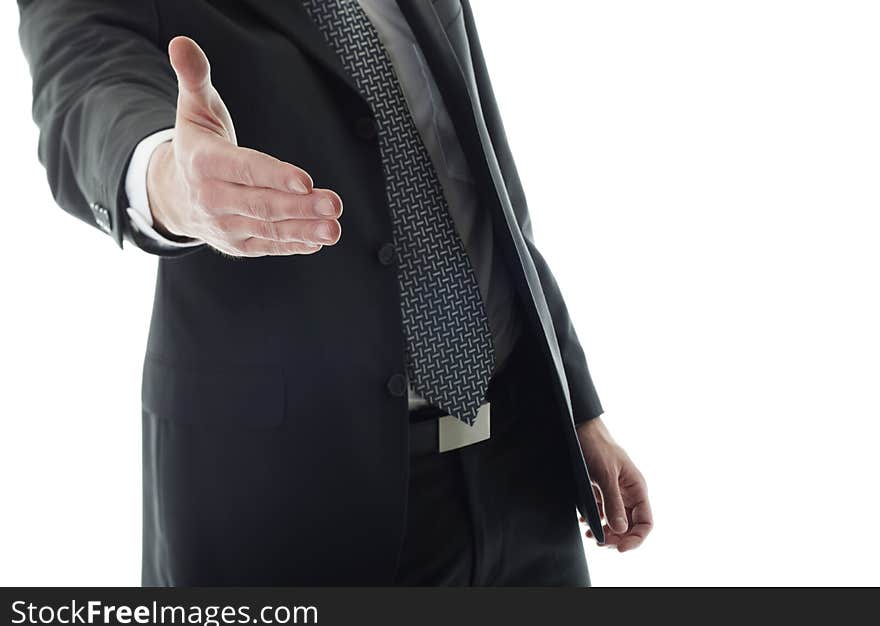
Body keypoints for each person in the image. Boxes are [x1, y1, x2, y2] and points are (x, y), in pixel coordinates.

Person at [17, 0, 652, 586]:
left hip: (519, 465)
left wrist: (575, 406)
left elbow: (477, 173)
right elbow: (86, 86)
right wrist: (170, 183)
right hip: (293, 504)